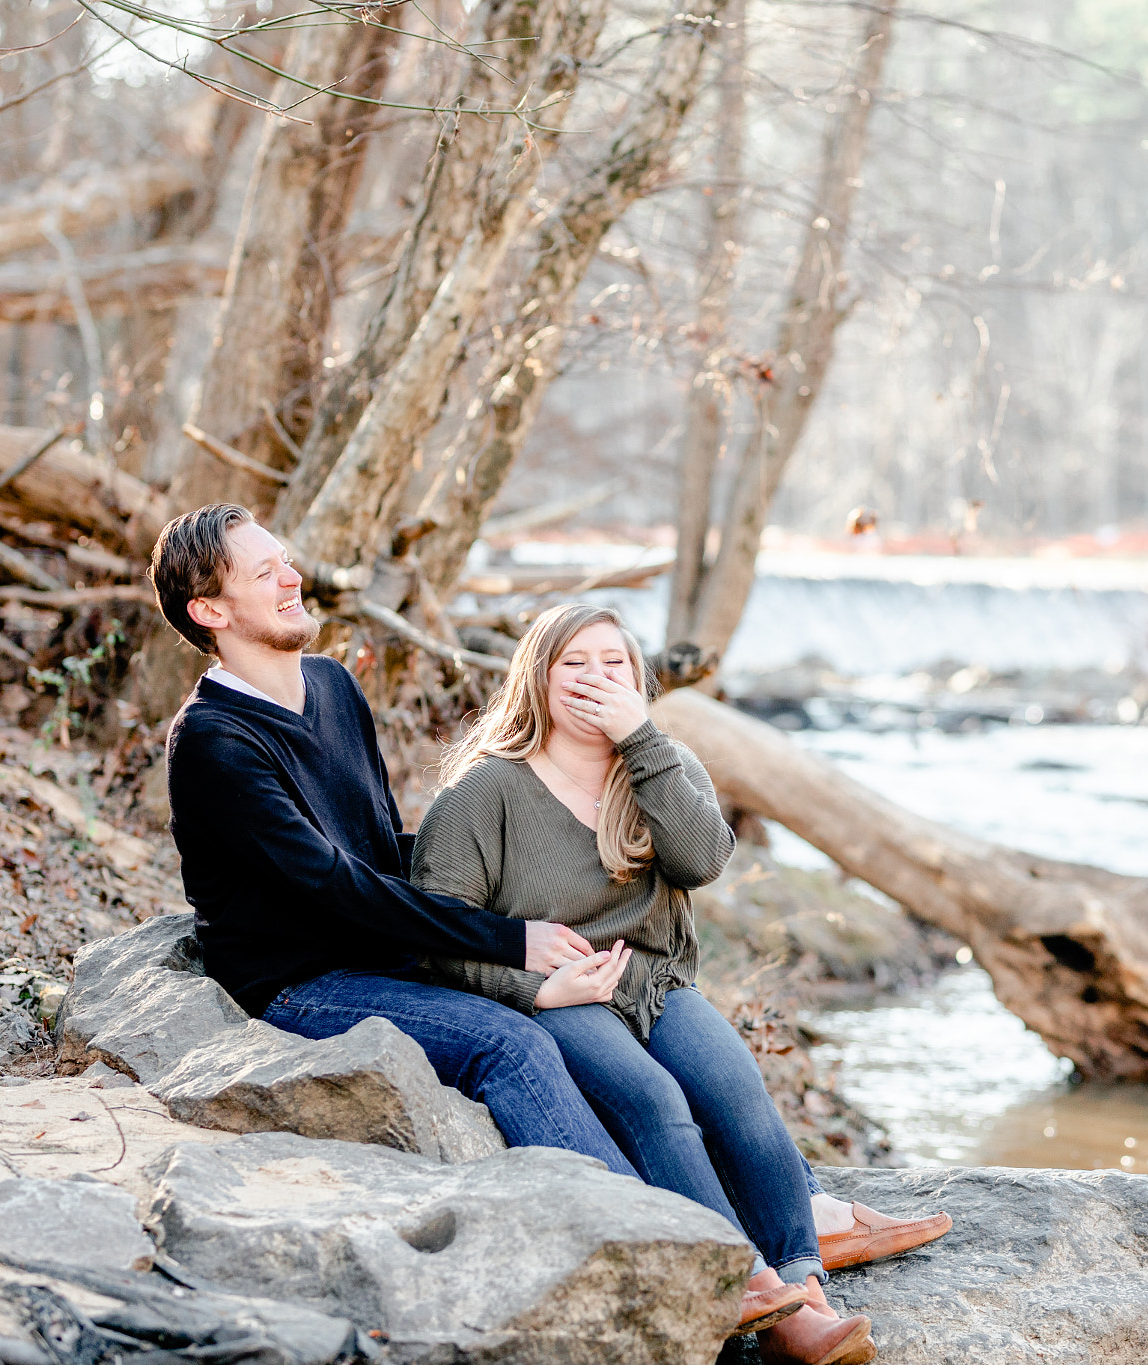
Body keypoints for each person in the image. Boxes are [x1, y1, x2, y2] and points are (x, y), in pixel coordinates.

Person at [150, 506, 814, 1340]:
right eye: (264, 572)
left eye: (285, 560)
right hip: (301, 983)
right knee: (515, 1041)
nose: (293, 577)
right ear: (210, 611)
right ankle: (660, 1251)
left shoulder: (332, 685)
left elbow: (383, 844)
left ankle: (778, 1232)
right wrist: (513, 942)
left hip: (385, 950)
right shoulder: (213, 740)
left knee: (654, 1065)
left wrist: (488, 876)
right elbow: (333, 883)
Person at [411, 604, 949, 1365]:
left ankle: (806, 1287)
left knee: (735, 1088)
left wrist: (640, 739)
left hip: (654, 981)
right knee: (656, 1101)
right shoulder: (484, 794)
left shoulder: (659, 763)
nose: (596, 679)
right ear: (537, 676)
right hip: (559, 992)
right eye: (575, 663)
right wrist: (538, 990)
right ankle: (745, 1285)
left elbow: (702, 861)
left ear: (639, 681)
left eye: (615, 665)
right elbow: (433, 934)